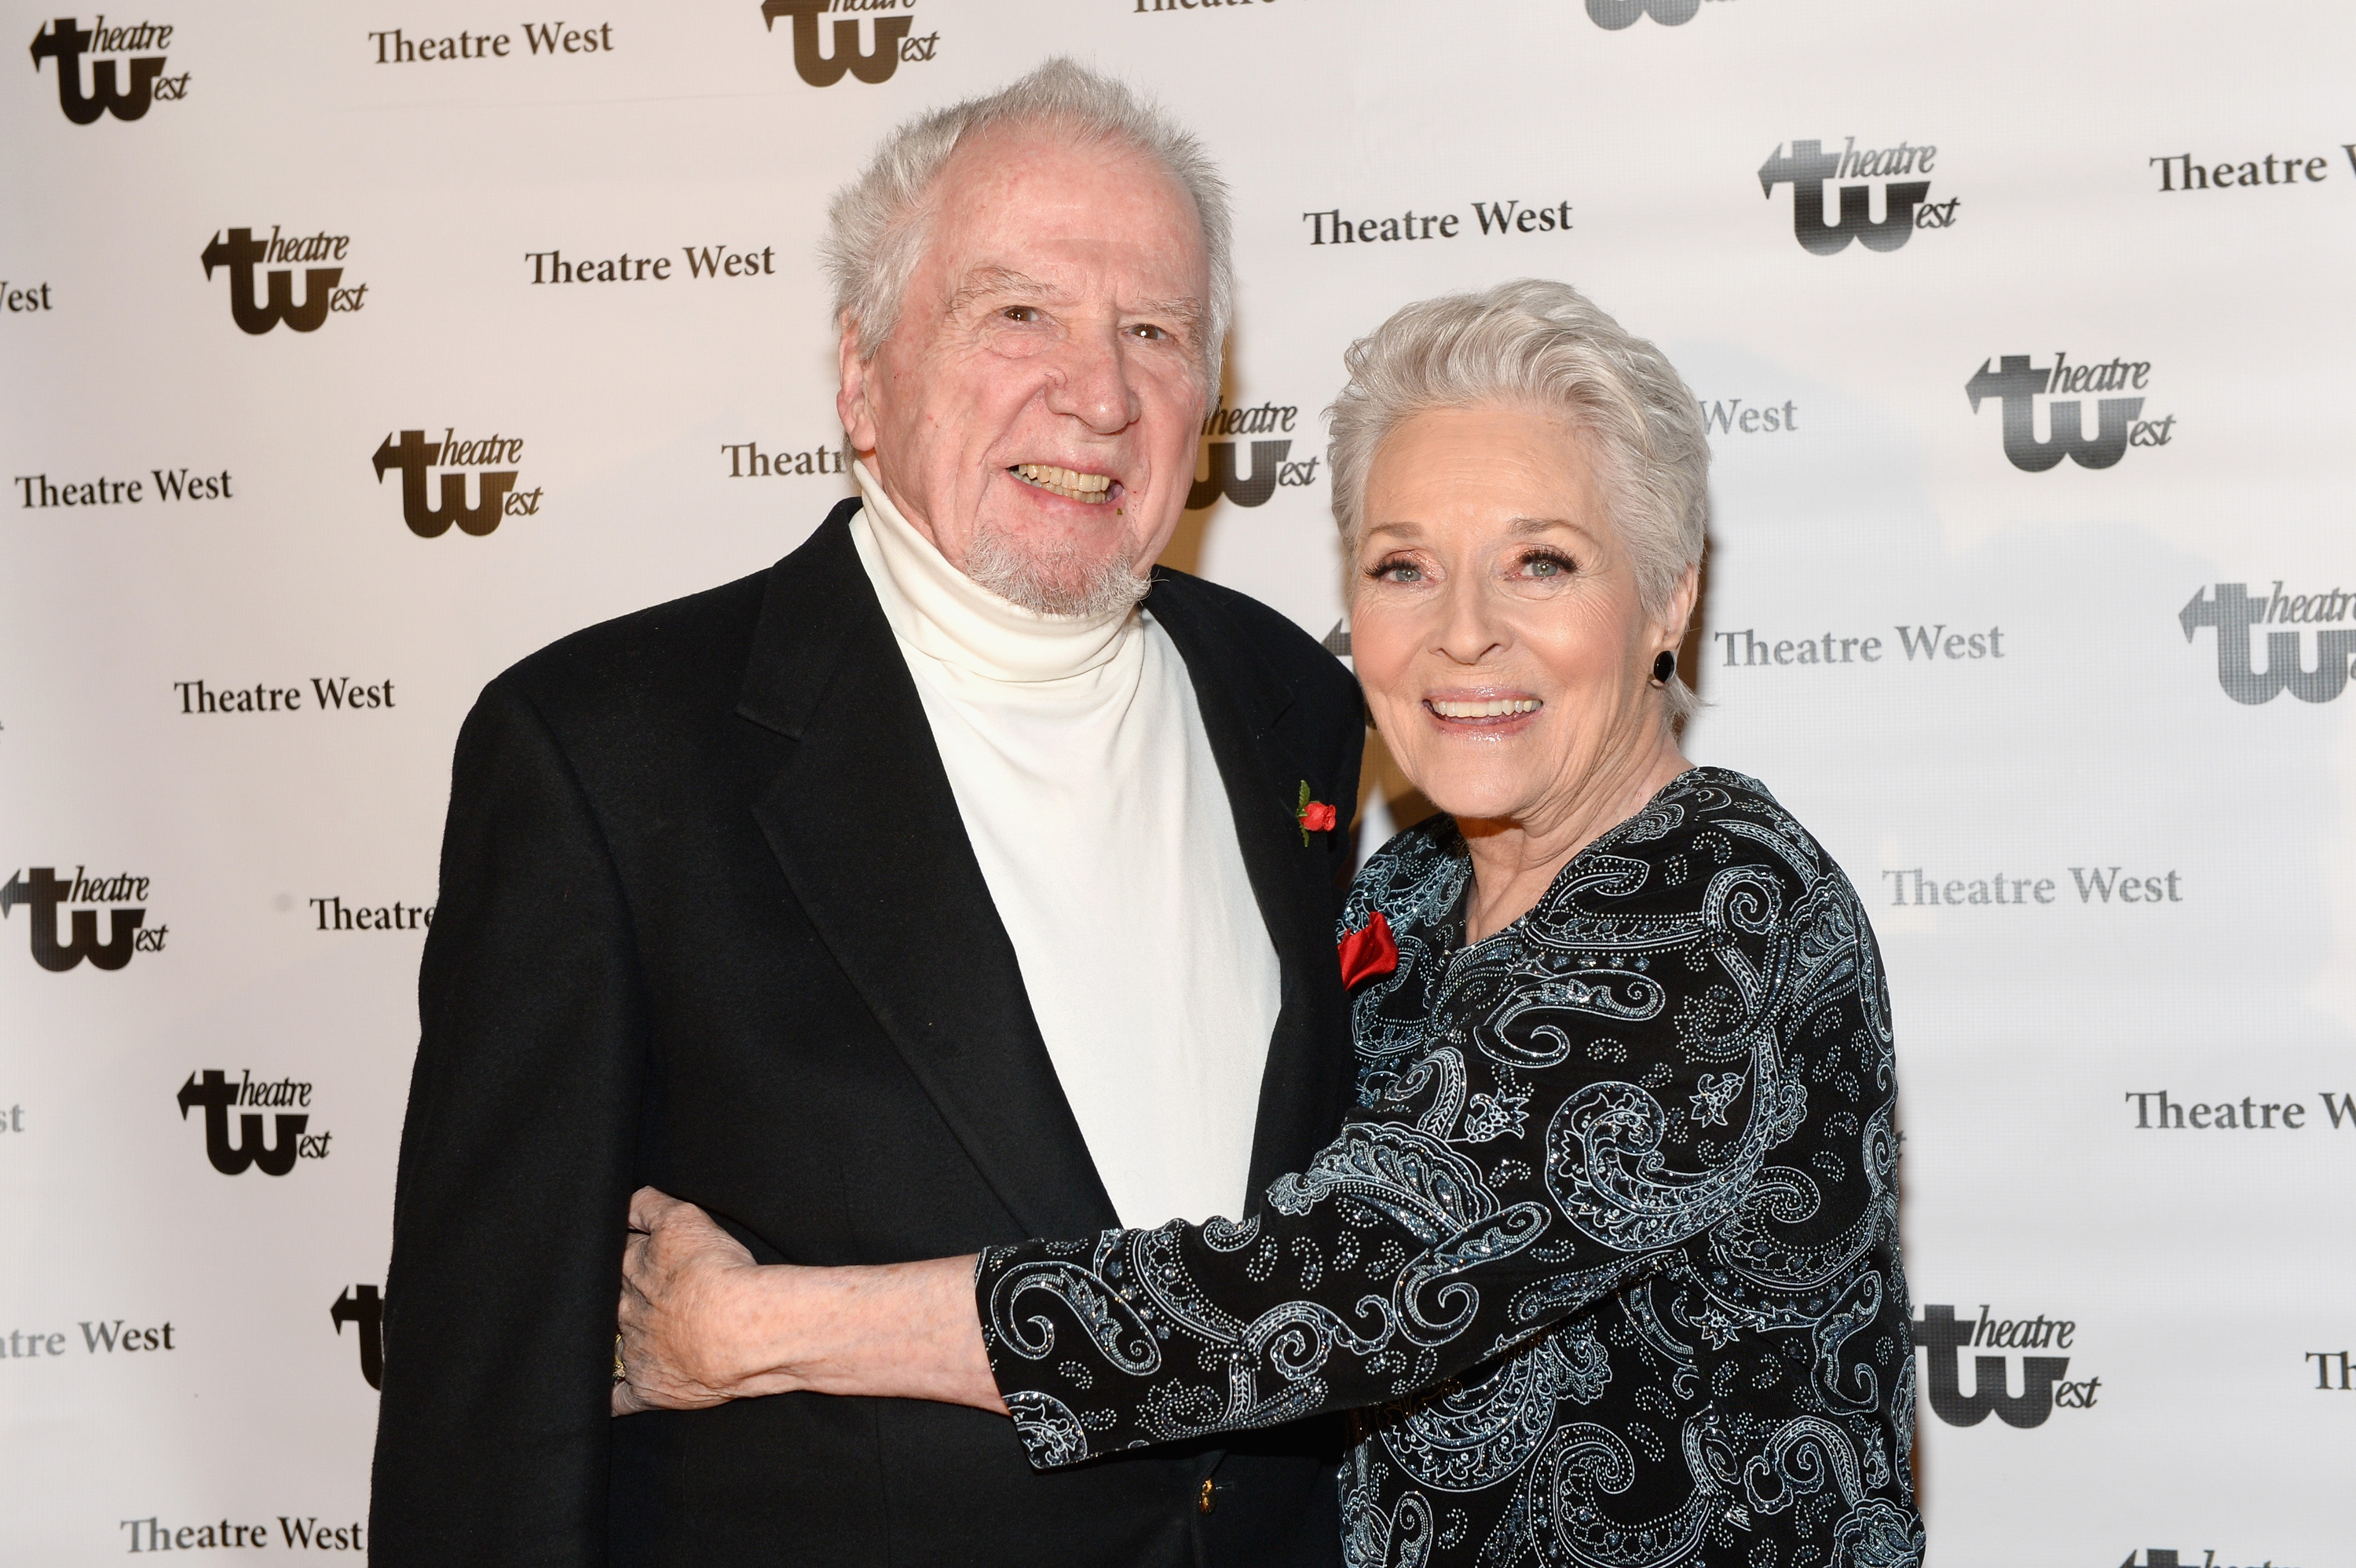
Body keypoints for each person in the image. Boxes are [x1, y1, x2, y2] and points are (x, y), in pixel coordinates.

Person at [615, 280, 1927, 1568]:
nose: (1464, 634)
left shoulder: (1724, 902)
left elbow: (1348, 1287)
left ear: (1668, 599)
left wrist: (754, 1326)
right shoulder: (1405, 897)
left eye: (1542, 562)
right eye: (1405, 567)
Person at [368, 61, 1366, 1568]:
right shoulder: (605, 756)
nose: (1099, 394)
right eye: (1018, 312)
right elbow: (488, 1423)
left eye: (1155, 332)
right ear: (860, 373)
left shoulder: (1294, 701)